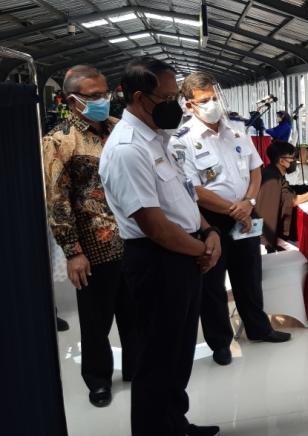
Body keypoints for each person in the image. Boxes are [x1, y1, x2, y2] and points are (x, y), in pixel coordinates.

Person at [99, 57, 222, 436]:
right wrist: (200, 249)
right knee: (156, 358)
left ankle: (175, 423)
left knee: (179, 352)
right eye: (168, 97)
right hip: (157, 261)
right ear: (140, 97)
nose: (176, 105)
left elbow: (182, 197)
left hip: (183, 253)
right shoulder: (127, 149)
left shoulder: (160, 137)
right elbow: (154, 226)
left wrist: (208, 231)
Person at [169, 72, 291, 367]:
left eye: (214, 97)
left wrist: (247, 203)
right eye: (204, 100)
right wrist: (231, 209)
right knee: (212, 283)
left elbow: (255, 169)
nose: (212, 104)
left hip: (246, 211)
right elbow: (192, 188)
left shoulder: (236, 130)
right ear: (189, 105)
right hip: (210, 220)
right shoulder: (181, 142)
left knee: (250, 273)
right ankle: (220, 342)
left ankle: (259, 328)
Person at [42, 65, 137, 407]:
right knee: (97, 321)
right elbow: (57, 199)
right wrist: (72, 251)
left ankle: (135, 369)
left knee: (135, 312)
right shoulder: (59, 140)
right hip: (95, 244)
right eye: (94, 96)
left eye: (105, 93)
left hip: (135, 235)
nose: (103, 100)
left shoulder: (119, 128)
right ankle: (98, 379)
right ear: (72, 100)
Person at [254, 140, 308, 252]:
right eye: (292, 158)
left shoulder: (273, 172)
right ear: (281, 161)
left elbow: (288, 189)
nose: (295, 161)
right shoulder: (272, 178)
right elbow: (291, 200)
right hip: (267, 236)